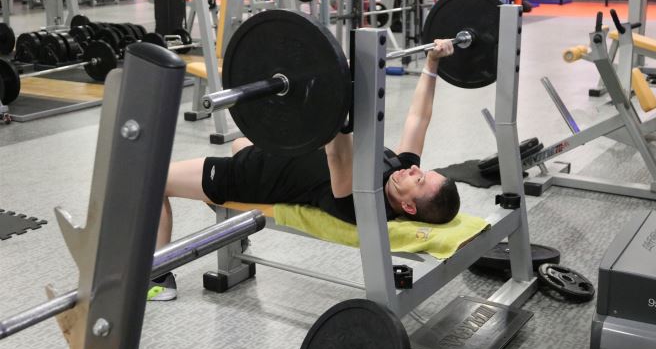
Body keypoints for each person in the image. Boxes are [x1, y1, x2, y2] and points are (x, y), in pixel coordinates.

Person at [148, 39, 461, 301]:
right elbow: (418, 118)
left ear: (408, 207)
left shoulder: (362, 202)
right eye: (421, 170)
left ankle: (158, 278)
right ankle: (235, 236)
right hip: (282, 154)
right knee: (240, 142)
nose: (415, 169)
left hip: (254, 176)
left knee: (153, 182)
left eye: (420, 179)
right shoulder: (401, 172)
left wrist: (338, 83)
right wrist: (432, 64)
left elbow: (337, 148)